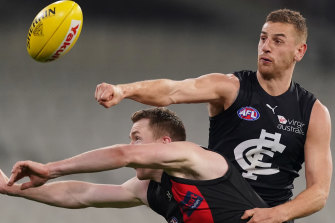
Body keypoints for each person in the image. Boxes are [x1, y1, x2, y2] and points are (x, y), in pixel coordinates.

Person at [93, 9, 332, 223]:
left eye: (278, 41)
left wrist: (277, 214)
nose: (266, 46)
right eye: (262, 38)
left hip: (271, 217)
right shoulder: (230, 88)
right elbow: (173, 90)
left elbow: (319, 193)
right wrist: (123, 90)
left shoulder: (314, 113)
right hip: (219, 211)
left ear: (299, 51)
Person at [1, 107, 268, 223]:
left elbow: (121, 155)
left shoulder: (194, 159)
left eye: (137, 139)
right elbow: (79, 194)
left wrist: (50, 169)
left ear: (165, 144)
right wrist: (12, 189)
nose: (130, 147)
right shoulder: (146, 189)